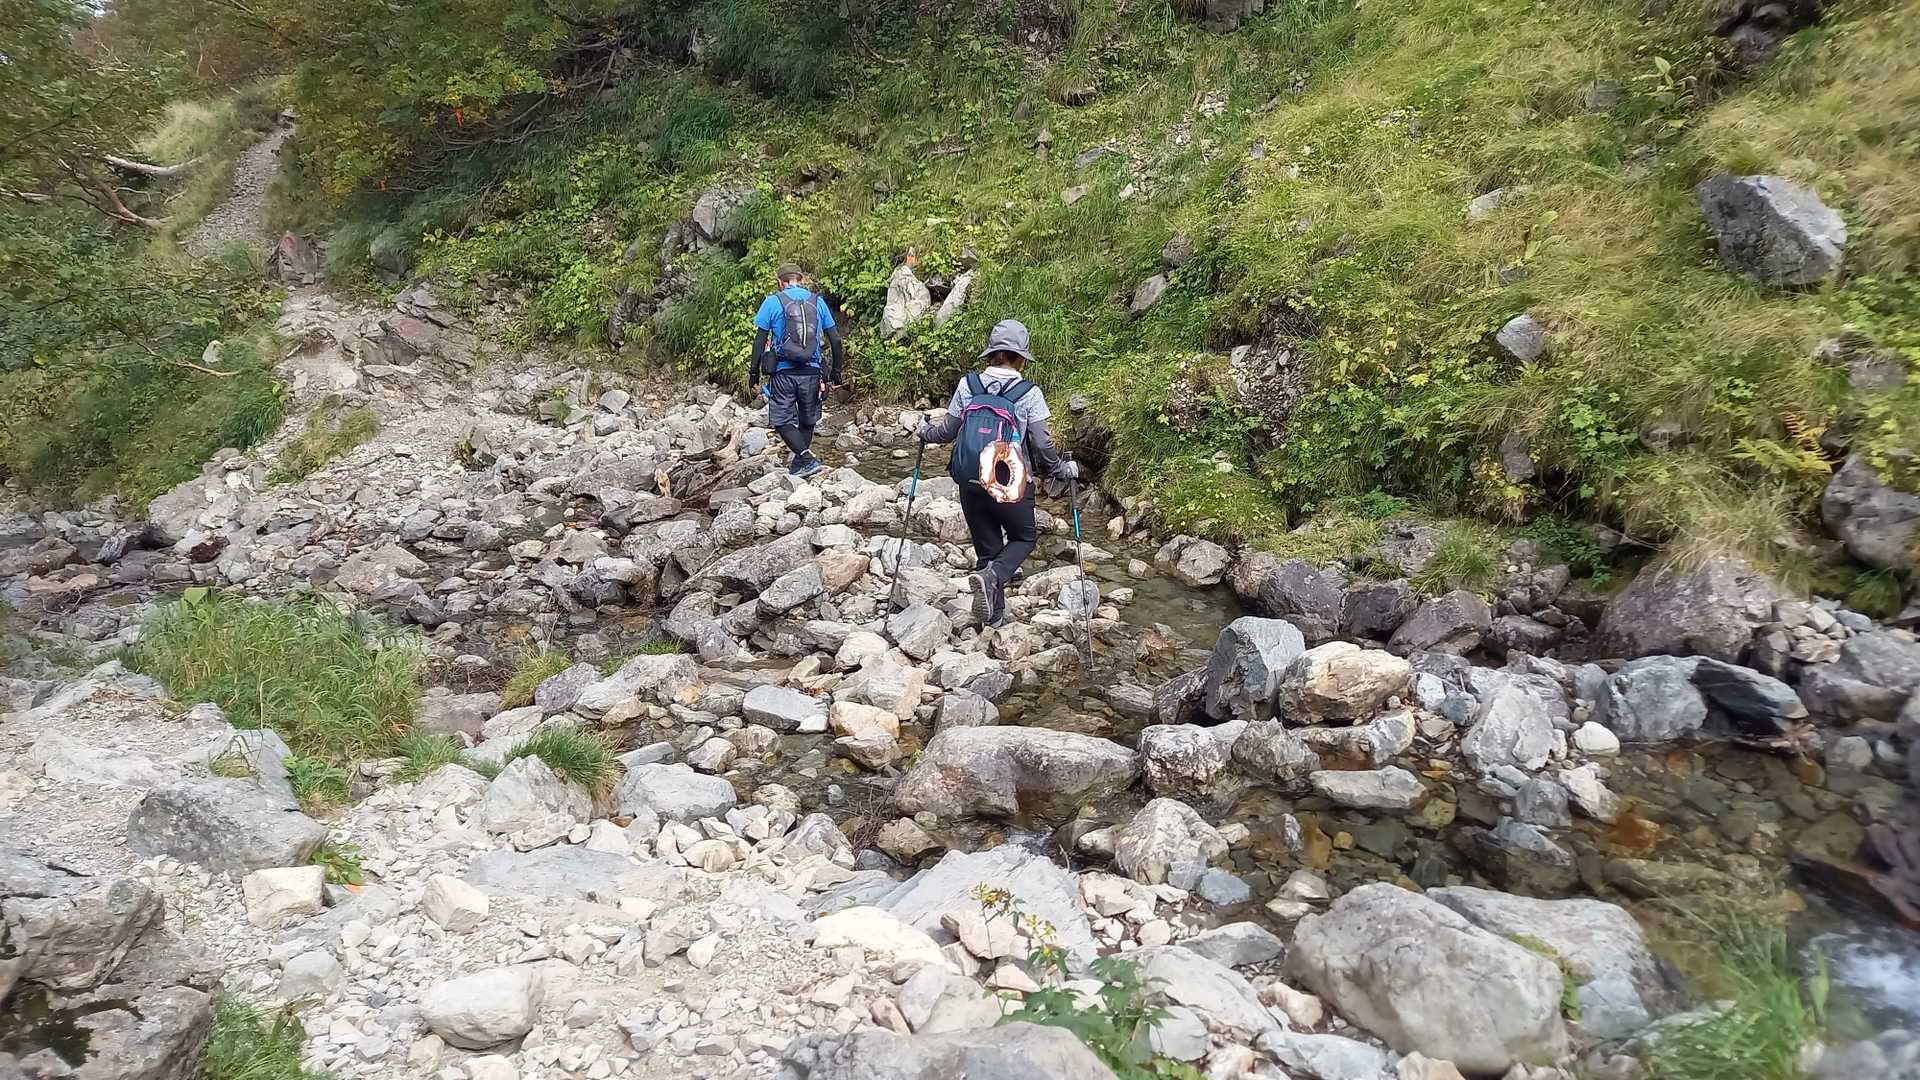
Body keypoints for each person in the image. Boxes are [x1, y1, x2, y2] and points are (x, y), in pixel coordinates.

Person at [917, 319, 1079, 627]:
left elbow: (947, 431)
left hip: (969, 480)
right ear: (1021, 359)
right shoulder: (1029, 392)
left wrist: (925, 432)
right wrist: (1060, 469)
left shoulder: (969, 385)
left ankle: (993, 617)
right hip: (1010, 483)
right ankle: (993, 580)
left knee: (988, 549)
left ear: (991, 354)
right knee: (1024, 538)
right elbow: (1042, 442)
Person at [751, 263, 845, 478]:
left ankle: (806, 458)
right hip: (812, 371)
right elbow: (836, 340)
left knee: (781, 420)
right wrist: (836, 371)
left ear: (780, 282)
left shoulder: (772, 302)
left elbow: (759, 341)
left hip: (783, 371)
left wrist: (754, 373)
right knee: (808, 419)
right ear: (801, 280)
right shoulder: (818, 302)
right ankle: (801, 464)